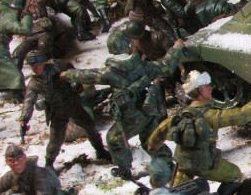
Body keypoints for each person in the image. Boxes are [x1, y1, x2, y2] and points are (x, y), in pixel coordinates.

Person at [62, 40, 186, 178]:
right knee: (150, 140)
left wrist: (66, 74)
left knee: (114, 139)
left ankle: (124, 169)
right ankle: (167, 164)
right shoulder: (142, 65)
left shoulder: (110, 72)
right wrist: (175, 49)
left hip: (131, 117)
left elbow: (86, 75)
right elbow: (165, 67)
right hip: (149, 109)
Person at [146, 70, 251, 192]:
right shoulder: (210, 116)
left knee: (176, 190)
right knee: (235, 175)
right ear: (199, 91)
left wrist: (156, 152)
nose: (210, 88)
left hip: (183, 163)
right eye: (206, 87)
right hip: (204, 164)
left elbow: (159, 133)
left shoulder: (182, 114)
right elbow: (241, 115)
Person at [20, 50, 110, 169]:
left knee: (89, 126)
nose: (35, 69)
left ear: (43, 63)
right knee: (56, 139)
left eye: (38, 65)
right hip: (58, 111)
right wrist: (24, 119)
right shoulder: (34, 84)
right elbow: (28, 101)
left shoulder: (56, 65)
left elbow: (70, 68)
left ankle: (100, 150)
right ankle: (49, 163)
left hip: (72, 103)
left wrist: (77, 83)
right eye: (33, 66)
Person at [0, 0, 32, 101]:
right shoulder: (10, 20)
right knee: (15, 74)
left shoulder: (6, 12)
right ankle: (17, 95)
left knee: (0, 69)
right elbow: (25, 30)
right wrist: (27, 17)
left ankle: (2, 88)